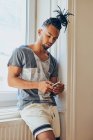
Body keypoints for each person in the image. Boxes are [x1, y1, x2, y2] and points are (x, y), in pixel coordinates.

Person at [8, 6, 72, 140]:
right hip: (31, 106)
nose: (51, 41)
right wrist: (38, 85)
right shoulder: (21, 52)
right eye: (48, 35)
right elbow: (11, 80)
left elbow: (53, 87)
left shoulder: (53, 61)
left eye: (54, 38)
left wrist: (58, 88)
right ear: (39, 31)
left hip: (51, 108)